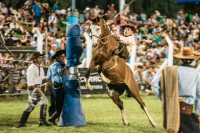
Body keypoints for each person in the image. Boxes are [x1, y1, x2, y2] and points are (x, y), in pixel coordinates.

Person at [152, 47, 200, 132]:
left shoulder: (170, 70)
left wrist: (162, 98)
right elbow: (199, 94)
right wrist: (197, 113)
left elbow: (154, 83)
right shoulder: (196, 73)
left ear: (181, 59)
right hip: (185, 109)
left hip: (170, 107)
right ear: (193, 60)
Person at [18, 52, 51, 128]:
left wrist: (46, 80)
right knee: (43, 101)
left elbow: (42, 77)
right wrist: (37, 91)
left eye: (41, 58)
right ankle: (41, 121)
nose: (41, 59)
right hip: (33, 89)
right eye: (39, 58)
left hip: (37, 88)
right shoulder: (31, 68)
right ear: (35, 59)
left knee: (33, 105)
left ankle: (24, 123)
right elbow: (30, 81)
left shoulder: (40, 67)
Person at [46, 50, 67, 125]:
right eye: (61, 56)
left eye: (64, 56)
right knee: (58, 105)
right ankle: (56, 120)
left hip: (62, 87)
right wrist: (68, 65)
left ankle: (53, 118)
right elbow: (62, 72)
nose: (63, 58)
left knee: (60, 104)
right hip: (57, 87)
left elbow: (48, 78)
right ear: (57, 57)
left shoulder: (63, 65)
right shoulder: (56, 65)